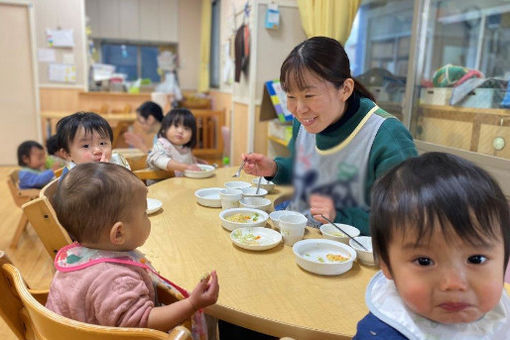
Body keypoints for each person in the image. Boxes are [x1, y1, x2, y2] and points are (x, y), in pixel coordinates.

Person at [242, 36, 417, 234]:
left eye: (309, 96)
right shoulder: (305, 121)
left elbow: (404, 220)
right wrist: (274, 168)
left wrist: (339, 217)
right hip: (301, 232)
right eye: (290, 96)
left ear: (345, 89)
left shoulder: (387, 136)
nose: (299, 109)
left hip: (351, 250)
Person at [46, 162, 219, 337]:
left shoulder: (78, 255)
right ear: (119, 233)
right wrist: (191, 304)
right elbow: (143, 323)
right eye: (144, 213)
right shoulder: (115, 279)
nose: (147, 217)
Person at [354, 152, 510, 339]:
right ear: (386, 264)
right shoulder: (383, 333)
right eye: (424, 261)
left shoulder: (498, 314)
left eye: (476, 259)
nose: (454, 284)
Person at [56, 111, 130, 176]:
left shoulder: (116, 162)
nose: (97, 150)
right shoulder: (71, 176)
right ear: (67, 154)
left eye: (102, 143)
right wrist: (102, 175)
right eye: (86, 146)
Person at [147, 108, 205, 176]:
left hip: (181, 183)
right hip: (161, 184)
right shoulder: (161, 144)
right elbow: (159, 159)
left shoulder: (185, 148)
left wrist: (197, 161)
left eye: (186, 128)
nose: (180, 131)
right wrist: (186, 167)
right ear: (165, 128)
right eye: (176, 126)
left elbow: (186, 159)